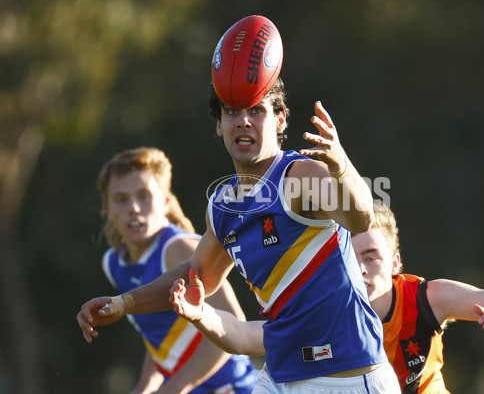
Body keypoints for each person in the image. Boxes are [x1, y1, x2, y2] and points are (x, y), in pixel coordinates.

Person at [77, 78, 401, 394]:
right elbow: (195, 278)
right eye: (231, 111)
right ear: (219, 125)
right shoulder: (221, 207)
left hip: (347, 378)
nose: (243, 121)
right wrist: (123, 303)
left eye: (256, 110)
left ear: (280, 119)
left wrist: (341, 166)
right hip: (279, 375)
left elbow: (360, 218)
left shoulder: (300, 175)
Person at [172, 201, 484, 393]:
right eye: (350, 258)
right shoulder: (322, 316)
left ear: (396, 261)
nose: (361, 268)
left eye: (372, 256)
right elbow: (243, 336)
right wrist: (200, 313)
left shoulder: (426, 298)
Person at [84, 147, 257, 394]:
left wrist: (174, 388)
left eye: (144, 195)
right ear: (107, 210)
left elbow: (234, 325)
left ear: (165, 202)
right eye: (121, 199)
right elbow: (160, 338)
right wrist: (143, 388)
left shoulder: (179, 248)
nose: (133, 207)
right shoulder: (113, 263)